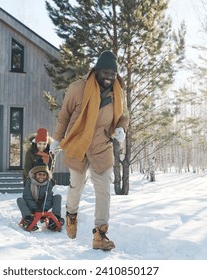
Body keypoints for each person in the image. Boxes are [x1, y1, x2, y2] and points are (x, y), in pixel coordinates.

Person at [50, 50, 129, 250]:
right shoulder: (78, 88)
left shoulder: (118, 92)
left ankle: (100, 234)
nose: (109, 77)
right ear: (97, 70)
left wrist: (121, 128)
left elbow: (123, 115)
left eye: (113, 74)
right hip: (78, 145)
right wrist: (57, 139)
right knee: (76, 186)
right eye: (106, 73)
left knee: (103, 191)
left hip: (102, 147)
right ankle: (71, 215)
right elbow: (64, 115)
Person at [17, 159, 64, 231]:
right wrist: (35, 208)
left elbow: (49, 197)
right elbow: (27, 196)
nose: (41, 177)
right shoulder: (29, 182)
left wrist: (44, 209)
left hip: (44, 206)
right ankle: (28, 219)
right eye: (39, 174)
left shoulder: (48, 183)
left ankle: (55, 218)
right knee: (20, 200)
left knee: (57, 197)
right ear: (35, 174)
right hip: (32, 206)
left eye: (44, 175)